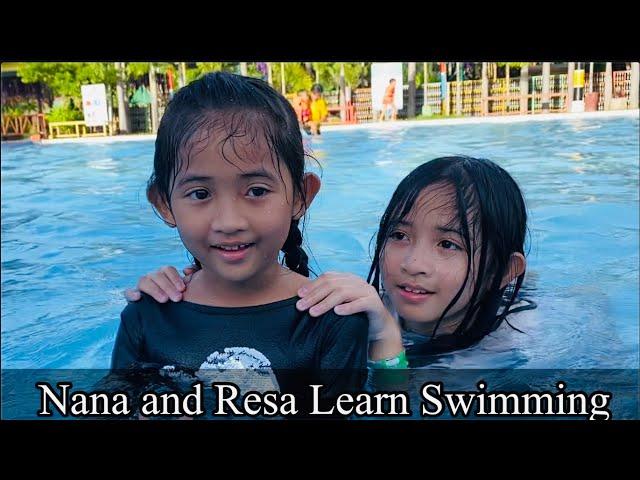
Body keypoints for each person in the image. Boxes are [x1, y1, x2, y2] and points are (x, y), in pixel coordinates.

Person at [111, 72, 369, 413]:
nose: (229, 222)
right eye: (200, 194)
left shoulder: (332, 320)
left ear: (300, 196)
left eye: (257, 191)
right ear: (164, 203)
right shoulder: (146, 316)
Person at [125, 156, 534, 367]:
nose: (413, 262)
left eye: (448, 244)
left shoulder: (521, 343)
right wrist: (192, 286)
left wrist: (388, 342)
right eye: (399, 235)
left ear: (503, 272)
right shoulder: (364, 305)